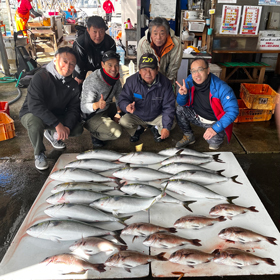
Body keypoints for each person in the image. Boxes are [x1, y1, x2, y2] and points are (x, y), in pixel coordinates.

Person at [19, 47, 83, 170]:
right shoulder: (40, 77)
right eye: (64, 61)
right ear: (55, 60)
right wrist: (57, 125)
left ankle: (51, 133)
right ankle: (39, 153)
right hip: (32, 113)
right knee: (35, 122)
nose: (68, 66)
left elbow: (73, 109)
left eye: (72, 64)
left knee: (77, 128)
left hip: (55, 114)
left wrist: (67, 127)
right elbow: (35, 105)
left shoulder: (74, 85)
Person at [175, 58, 239, 150]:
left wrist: (215, 129)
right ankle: (189, 136)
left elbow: (233, 111)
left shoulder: (222, 87)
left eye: (200, 70)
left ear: (208, 70)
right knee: (180, 109)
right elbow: (181, 103)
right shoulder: (189, 81)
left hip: (214, 122)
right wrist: (182, 95)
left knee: (213, 146)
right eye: (193, 71)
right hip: (197, 116)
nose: (197, 74)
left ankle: (216, 135)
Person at [118, 53, 176, 143]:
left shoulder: (166, 83)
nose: (148, 73)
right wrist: (126, 106)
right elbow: (123, 98)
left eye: (152, 69)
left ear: (157, 69)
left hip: (156, 116)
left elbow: (169, 106)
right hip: (138, 115)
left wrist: (166, 127)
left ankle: (156, 128)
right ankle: (137, 129)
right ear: (139, 70)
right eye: (144, 69)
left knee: (171, 124)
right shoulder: (131, 81)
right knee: (124, 121)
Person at [81, 50, 122, 148]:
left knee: (128, 107)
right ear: (102, 64)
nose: (113, 69)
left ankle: (106, 123)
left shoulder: (115, 79)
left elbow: (119, 96)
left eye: (116, 65)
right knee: (117, 132)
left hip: (106, 107)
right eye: (110, 65)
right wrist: (97, 105)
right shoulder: (93, 81)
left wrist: (119, 112)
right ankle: (95, 135)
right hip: (92, 115)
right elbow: (83, 107)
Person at [137, 17, 183, 83]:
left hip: (166, 77)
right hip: (148, 78)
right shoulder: (143, 43)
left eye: (162, 34)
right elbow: (142, 66)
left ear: (167, 34)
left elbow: (174, 65)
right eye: (155, 34)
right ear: (151, 34)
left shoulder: (176, 43)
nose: (158, 37)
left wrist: (167, 83)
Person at [73, 16, 116, 85]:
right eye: (94, 32)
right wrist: (79, 77)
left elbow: (112, 62)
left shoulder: (110, 43)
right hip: (83, 71)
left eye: (101, 31)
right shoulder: (80, 43)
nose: (98, 35)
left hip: (102, 71)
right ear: (88, 30)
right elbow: (78, 64)